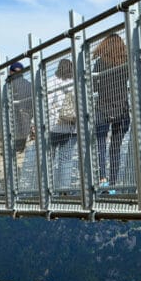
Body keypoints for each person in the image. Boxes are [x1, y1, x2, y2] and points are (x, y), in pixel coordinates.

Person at [92, 34, 130, 187]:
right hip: (122, 108)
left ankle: (102, 179)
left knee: (100, 144)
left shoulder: (100, 62)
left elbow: (93, 86)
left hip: (102, 107)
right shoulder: (127, 62)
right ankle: (113, 184)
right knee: (116, 148)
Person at [0, 61, 34, 185]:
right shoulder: (29, 86)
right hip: (22, 130)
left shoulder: (5, 85)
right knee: (18, 155)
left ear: (10, 72)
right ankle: (15, 183)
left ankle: (5, 181)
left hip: (3, 129)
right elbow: (33, 108)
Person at [47, 58, 77, 191]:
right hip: (72, 127)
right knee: (66, 159)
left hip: (54, 126)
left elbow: (46, 104)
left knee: (49, 158)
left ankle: (47, 189)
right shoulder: (76, 81)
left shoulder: (51, 82)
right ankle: (64, 190)